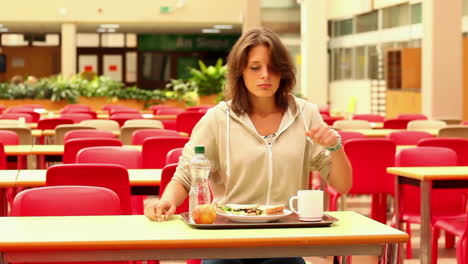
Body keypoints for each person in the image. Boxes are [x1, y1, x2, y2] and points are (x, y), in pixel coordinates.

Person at [144, 27, 352, 264]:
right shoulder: (218, 118)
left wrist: (335, 146)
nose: (265, 75)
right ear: (240, 71)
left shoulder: (305, 114)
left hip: (283, 240)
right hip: (225, 239)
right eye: (255, 67)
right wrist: (166, 200)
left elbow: (343, 185)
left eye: (273, 67)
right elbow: (185, 174)